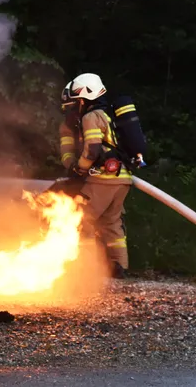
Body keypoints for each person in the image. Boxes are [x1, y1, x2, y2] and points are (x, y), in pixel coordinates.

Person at [58, 73, 131, 279]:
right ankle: (119, 268)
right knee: (112, 224)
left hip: (102, 179)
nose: (73, 108)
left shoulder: (91, 117)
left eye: (75, 102)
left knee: (81, 220)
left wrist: (78, 169)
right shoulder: (107, 115)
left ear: (83, 99)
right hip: (122, 179)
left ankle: (86, 270)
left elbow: (92, 151)